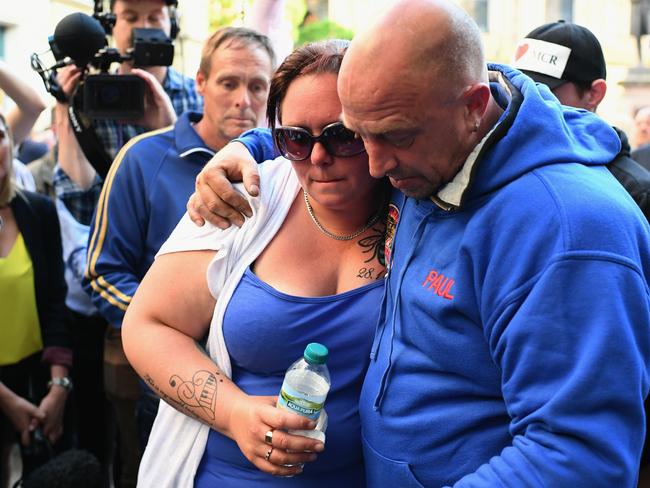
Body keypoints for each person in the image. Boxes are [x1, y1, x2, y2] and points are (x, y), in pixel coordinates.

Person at [189, 0, 650, 485]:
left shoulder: (567, 233)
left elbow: (575, 456)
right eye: (357, 133)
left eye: (394, 136)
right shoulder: (436, 149)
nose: (372, 165)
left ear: (473, 106)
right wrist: (249, 147)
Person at [122, 39, 389, 487]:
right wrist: (233, 413)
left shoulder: (419, 206)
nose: (319, 157)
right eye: (296, 139)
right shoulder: (242, 198)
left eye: (342, 135)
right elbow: (147, 324)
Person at [83, 25, 275, 474]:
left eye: (257, 86)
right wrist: (174, 335)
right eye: (229, 83)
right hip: (161, 386)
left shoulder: (283, 168)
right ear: (200, 83)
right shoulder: (142, 158)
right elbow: (102, 272)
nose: (243, 100)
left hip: (254, 389)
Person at [513, 21, 650, 228]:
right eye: (517, 88)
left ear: (595, 94)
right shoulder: (498, 167)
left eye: (544, 91)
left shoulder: (636, 191)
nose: (525, 101)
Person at [0, 113, 72, 486]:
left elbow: (55, 306)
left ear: (10, 144)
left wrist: (57, 389)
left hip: (35, 380)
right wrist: (8, 404)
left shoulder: (38, 211)